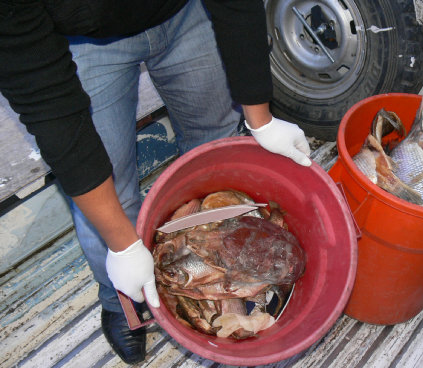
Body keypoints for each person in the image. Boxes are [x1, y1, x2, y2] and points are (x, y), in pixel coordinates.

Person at [0, 0, 311, 363]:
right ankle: (120, 300)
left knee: (217, 145)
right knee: (108, 192)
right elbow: (48, 103)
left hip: (186, 11)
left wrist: (261, 119)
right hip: (79, 39)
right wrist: (123, 245)